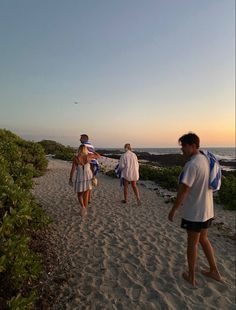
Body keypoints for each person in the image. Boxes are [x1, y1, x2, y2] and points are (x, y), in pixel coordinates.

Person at [168, 133, 223, 287]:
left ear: (193, 146)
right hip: (207, 211)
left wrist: (173, 209)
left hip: (195, 213)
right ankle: (214, 271)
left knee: (192, 243)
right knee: (204, 240)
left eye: (183, 147)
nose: (182, 150)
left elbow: (184, 190)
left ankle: (191, 277)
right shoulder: (206, 158)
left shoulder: (192, 165)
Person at [69, 144, 100, 212]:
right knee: (86, 194)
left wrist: (70, 178)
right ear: (86, 149)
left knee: (79, 194)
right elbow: (98, 156)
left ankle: (83, 207)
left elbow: (73, 170)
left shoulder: (76, 158)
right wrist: (92, 151)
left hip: (80, 177)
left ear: (79, 150)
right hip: (88, 177)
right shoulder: (89, 156)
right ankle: (85, 209)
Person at [80, 134, 99, 203]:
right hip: (93, 165)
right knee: (90, 183)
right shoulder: (91, 145)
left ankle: (84, 198)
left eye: (81, 138)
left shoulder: (84, 146)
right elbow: (95, 156)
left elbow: (82, 156)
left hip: (87, 165)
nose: (79, 139)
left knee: (84, 183)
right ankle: (88, 199)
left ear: (85, 138)